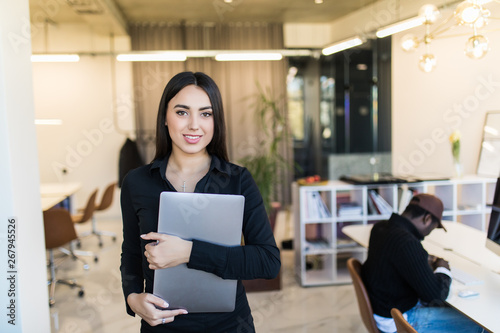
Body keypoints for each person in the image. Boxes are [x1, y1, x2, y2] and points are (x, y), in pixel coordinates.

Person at [120, 71, 281, 333]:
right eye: (182, 112)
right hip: (162, 325)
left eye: (206, 114)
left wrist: (188, 252)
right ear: (164, 117)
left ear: (216, 121)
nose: (194, 125)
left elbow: (267, 261)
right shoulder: (136, 182)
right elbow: (131, 254)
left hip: (229, 325)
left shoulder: (237, 180)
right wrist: (132, 297)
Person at [361, 193, 484, 333]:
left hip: (382, 310)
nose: (428, 234)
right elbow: (435, 296)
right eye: (433, 228)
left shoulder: (380, 228)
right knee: (480, 325)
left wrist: (420, 260)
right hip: (399, 321)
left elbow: (394, 259)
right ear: (427, 219)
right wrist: (443, 268)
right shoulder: (407, 243)